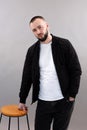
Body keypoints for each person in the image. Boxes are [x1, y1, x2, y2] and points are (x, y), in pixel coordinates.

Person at [18, 16, 82, 130]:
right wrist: (22, 100)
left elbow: (76, 70)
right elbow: (26, 77)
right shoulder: (32, 51)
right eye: (34, 30)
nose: (38, 32)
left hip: (64, 101)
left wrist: (72, 95)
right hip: (43, 102)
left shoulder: (64, 44)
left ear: (47, 25)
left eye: (40, 27)